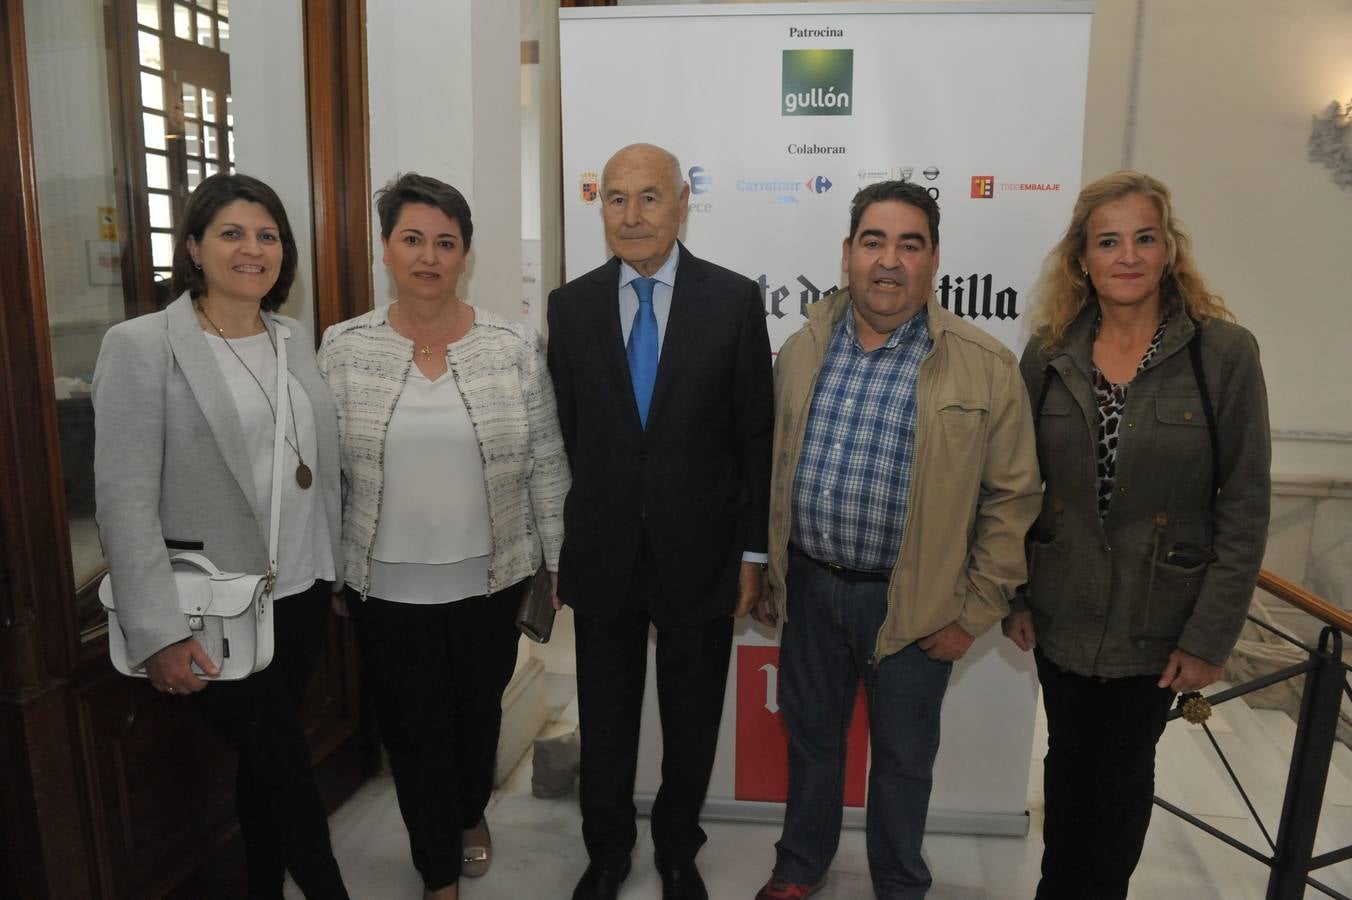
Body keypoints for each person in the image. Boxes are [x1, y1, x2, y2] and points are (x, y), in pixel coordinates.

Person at [752, 180, 1041, 900]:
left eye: (909, 244)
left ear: (934, 259)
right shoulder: (802, 349)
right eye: (873, 241)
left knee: (905, 760)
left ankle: (899, 882)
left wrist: (972, 612)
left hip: (916, 606)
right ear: (847, 253)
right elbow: (770, 468)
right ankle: (800, 864)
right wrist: (773, 576)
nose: (889, 260)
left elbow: (1012, 499)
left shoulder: (984, 365)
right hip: (812, 588)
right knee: (813, 742)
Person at [1001, 170, 1271, 900]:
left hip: (1160, 620)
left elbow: (1245, 506)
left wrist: (1209, 637)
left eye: (1144, 238)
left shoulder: (1223, 355)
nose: (1127, 256)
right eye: (1108, 241)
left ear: (1168, 249)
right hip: (1061, 611)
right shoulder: (1049, 353)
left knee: (1120, 777)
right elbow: (1016, 486)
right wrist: (1016, 595)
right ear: (1081, 258)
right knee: (1067, 765)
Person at [93, 173, 349, 899]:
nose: (252, 249)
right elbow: (123, 499)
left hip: (298, 589)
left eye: (267, 235)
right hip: (211, 609)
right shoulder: (142, 346)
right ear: (194, 249)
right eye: (231, 234)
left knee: (266, 770)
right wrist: (158, 631)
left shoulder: (292, 339)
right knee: (286, 766)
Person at [317, 173, 569, 900]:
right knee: (412, 730)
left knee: (474, 721)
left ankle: (466, 812)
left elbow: (547, 460)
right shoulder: (344, 347)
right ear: (386, 250)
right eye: (412, 239)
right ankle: (437, 871)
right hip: (385, 585)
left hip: (491, 580)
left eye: (445, 242)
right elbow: (326, 473)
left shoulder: (511, 345)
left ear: (465, 254)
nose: (429, 256)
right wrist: (328, 568)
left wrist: (558, 562)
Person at [546, 142, 774, 900]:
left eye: (649, 196)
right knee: (606, 720)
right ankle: (607, 852)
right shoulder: (570, 307)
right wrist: (561, 547)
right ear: (601, 208)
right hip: (603, 552)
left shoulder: (733, 300)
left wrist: (751, 554)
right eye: (617, 198)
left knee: (692, 720)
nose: (633, 214)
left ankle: (679, 849)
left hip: (702, 552)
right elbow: (565, 438)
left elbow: (754, 437)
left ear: (682, 203)